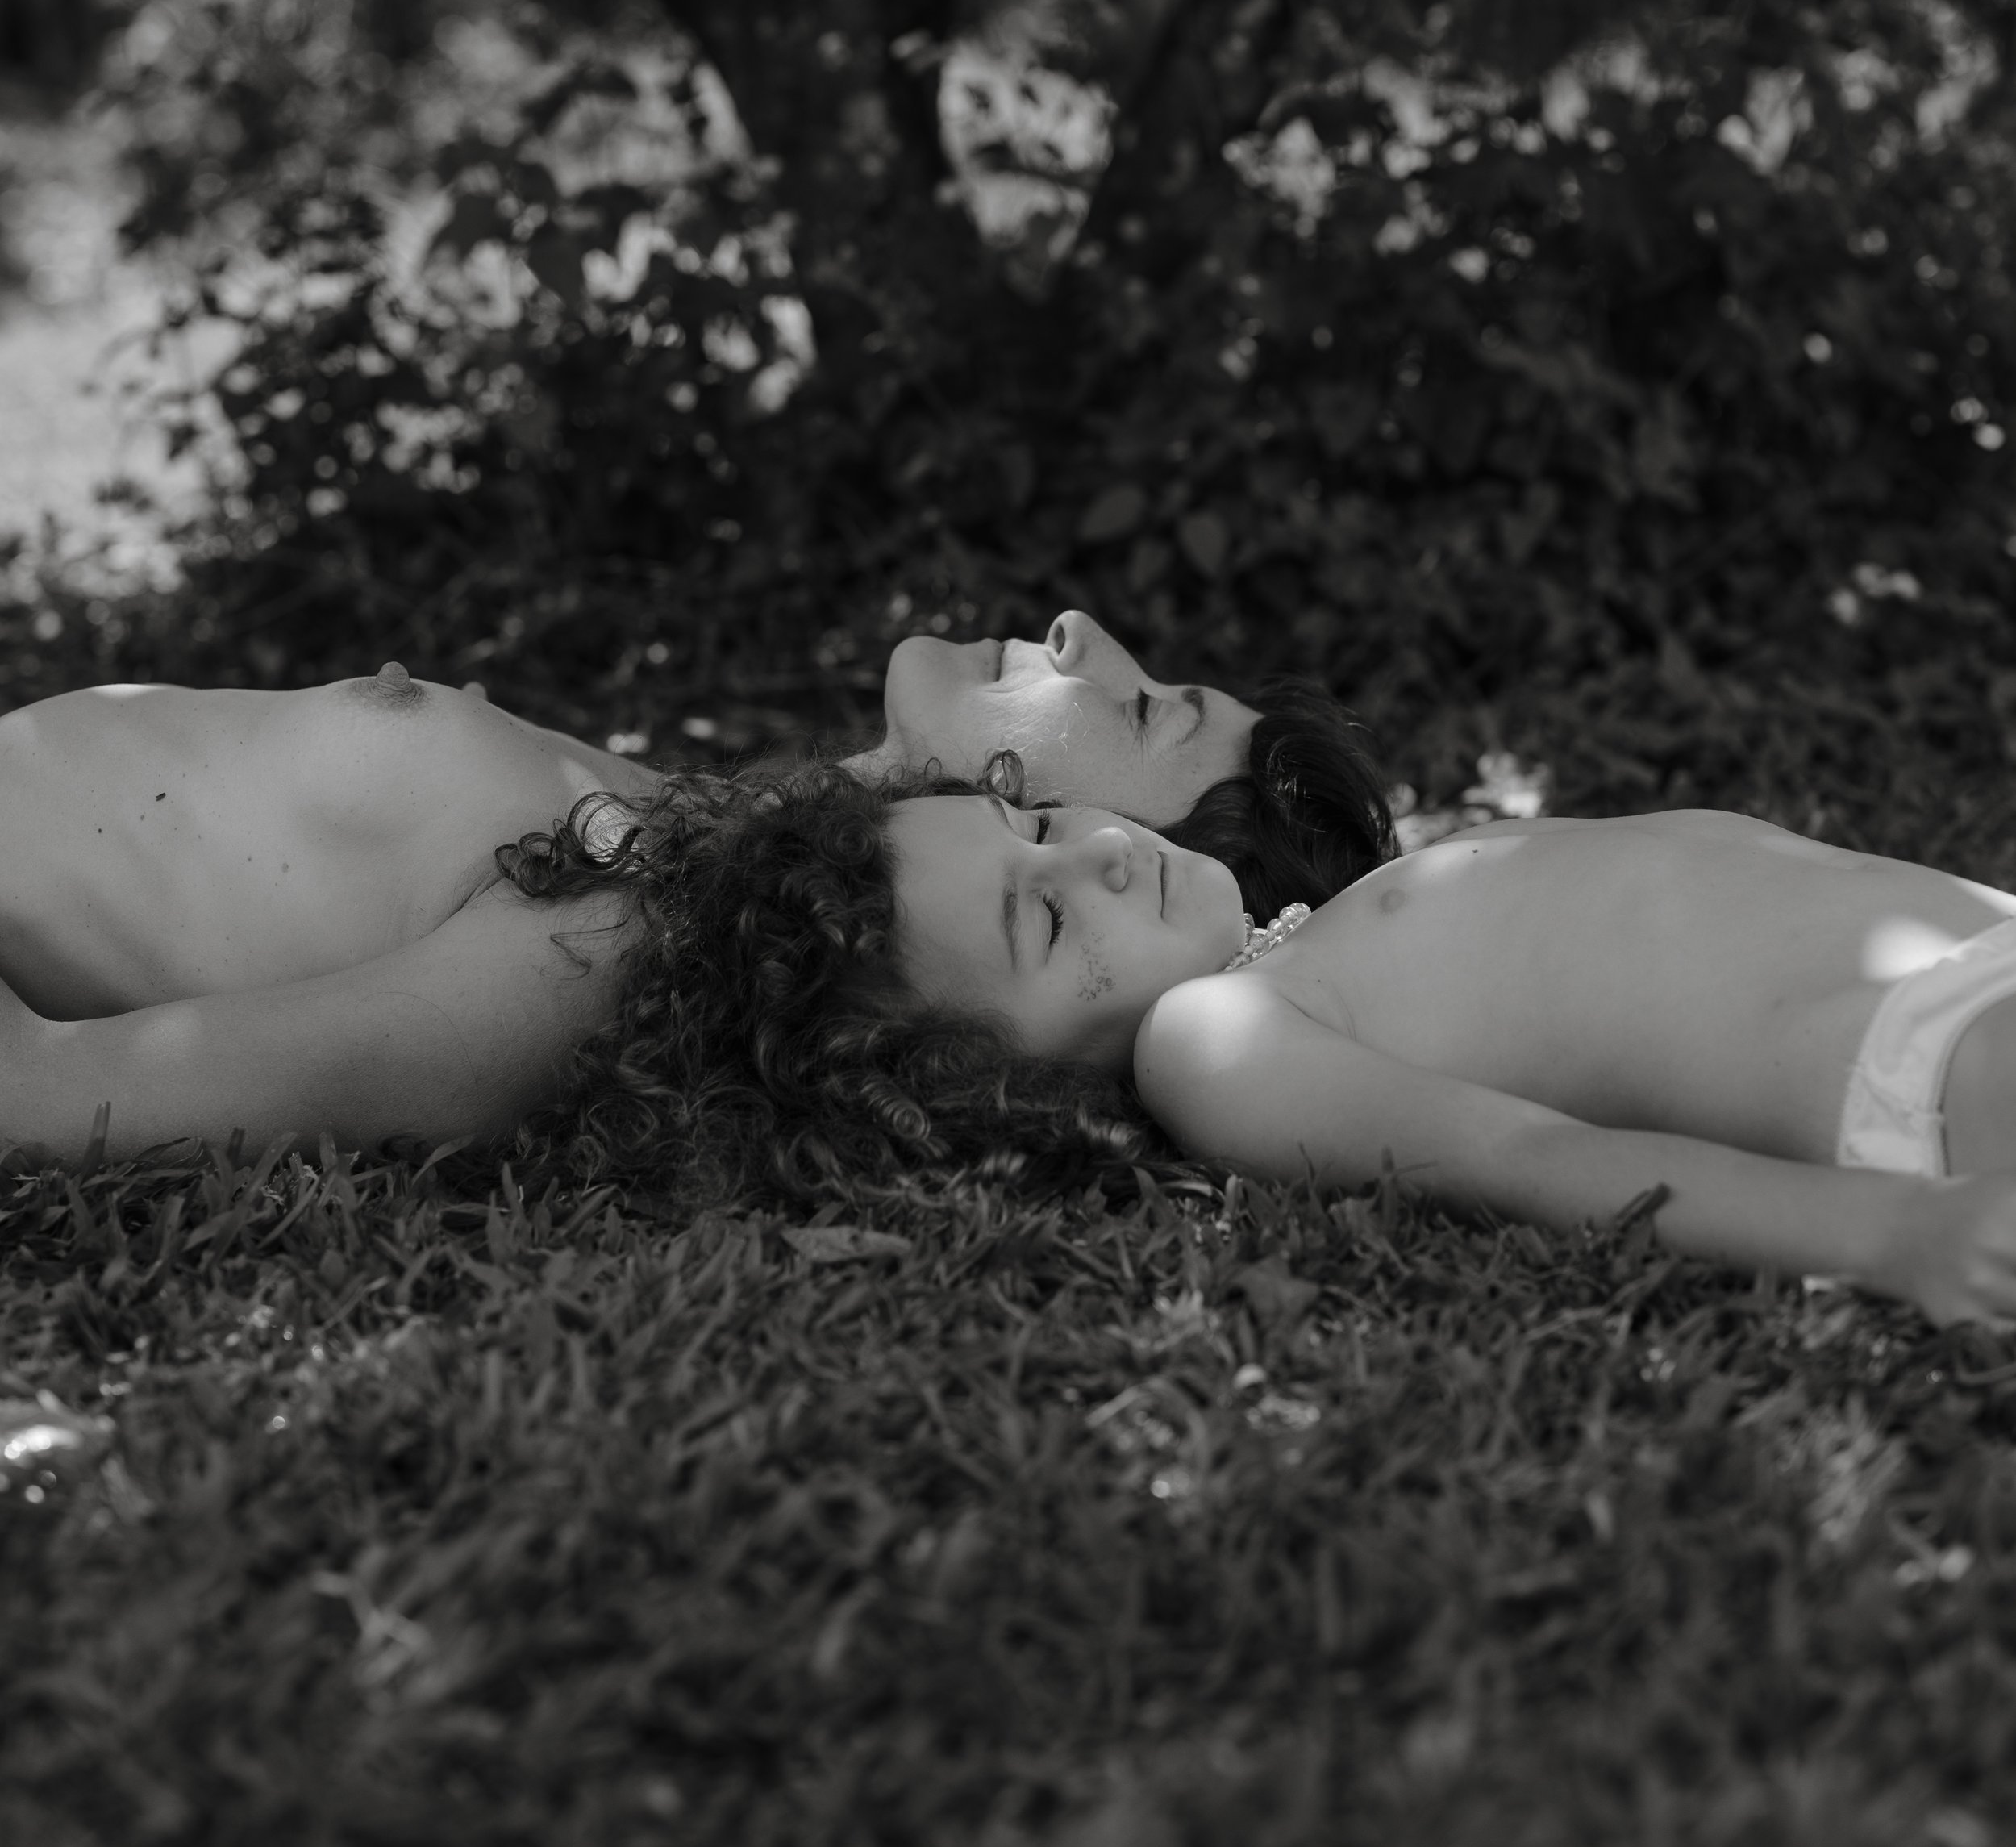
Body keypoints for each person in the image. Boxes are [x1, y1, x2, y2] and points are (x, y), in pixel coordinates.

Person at [602, 762, 2016, 1330]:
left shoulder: (1308, 937)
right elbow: (1530, 1157)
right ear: (995, 1081)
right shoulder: (1212, 1040)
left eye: (1037, 829)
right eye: (1038, 923)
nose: (1097, 853)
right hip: (1931, 1058)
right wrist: (1894, 1235)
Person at [0, 616, 1386, 1163]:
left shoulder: (604, 941)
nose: (1086, 631)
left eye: (1139, 710)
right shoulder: (670, 849)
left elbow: (49, 1092)